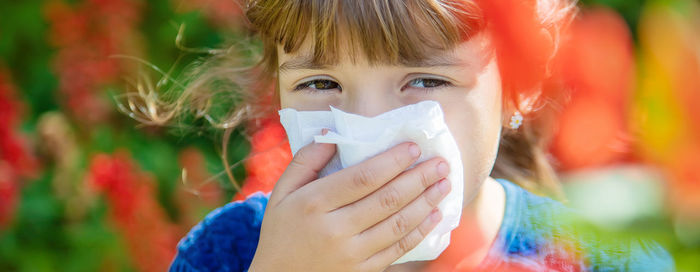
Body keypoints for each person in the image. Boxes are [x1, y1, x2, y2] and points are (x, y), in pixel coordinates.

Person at [153, 0, 675, 271]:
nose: (367, 131)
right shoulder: (228, 254)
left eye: (425, 80)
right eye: (320, 82)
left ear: (520, 86)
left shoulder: (606, 261)